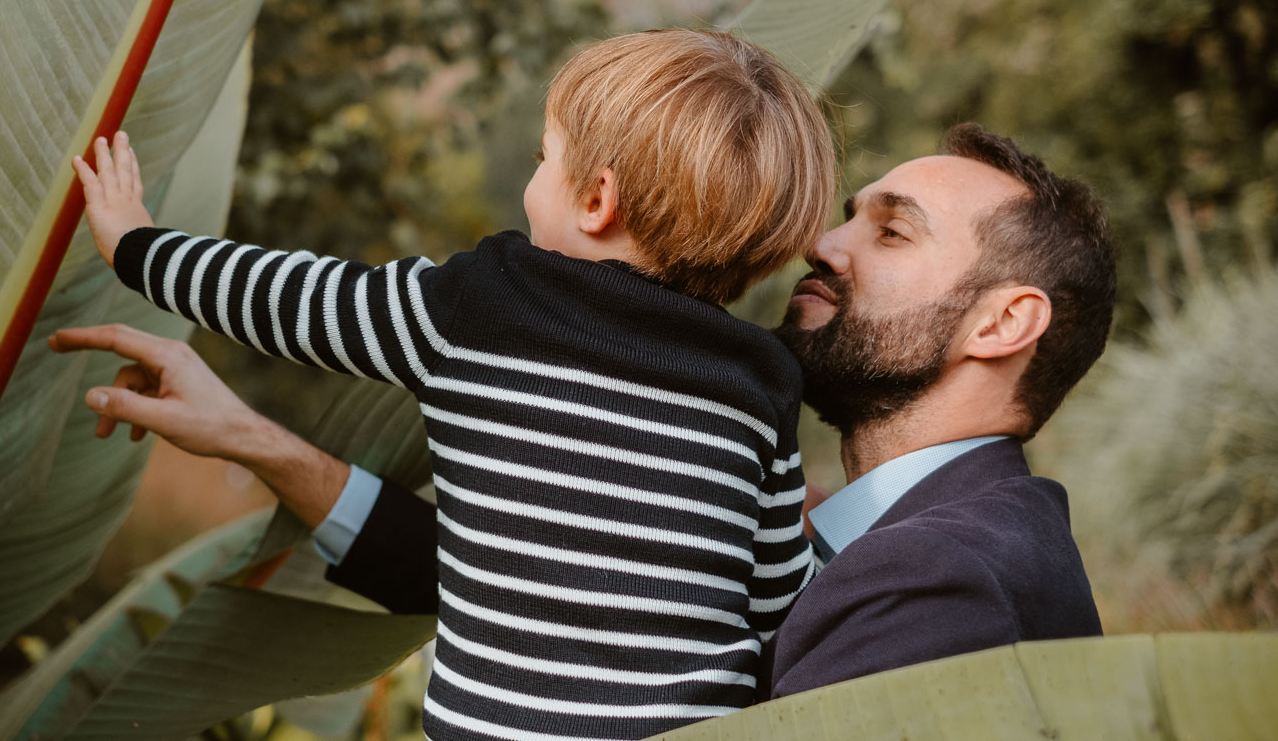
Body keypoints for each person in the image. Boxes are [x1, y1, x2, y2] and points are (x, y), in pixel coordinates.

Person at [55, 121, 1113, 704]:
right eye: (843, 217)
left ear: (1003, 321)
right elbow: (573, 589)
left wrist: (144, 246)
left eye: (889, 234)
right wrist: (256, 439)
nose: (822, 248)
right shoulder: (894, 528)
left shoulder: (943, 579)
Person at [68, 29, 836, 741]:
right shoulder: (759, 382)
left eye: (545, 157)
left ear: (597, 200)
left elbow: (293, 300)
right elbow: (779, 602)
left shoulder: (482, 306)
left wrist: (138, 247)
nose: (535, 180)